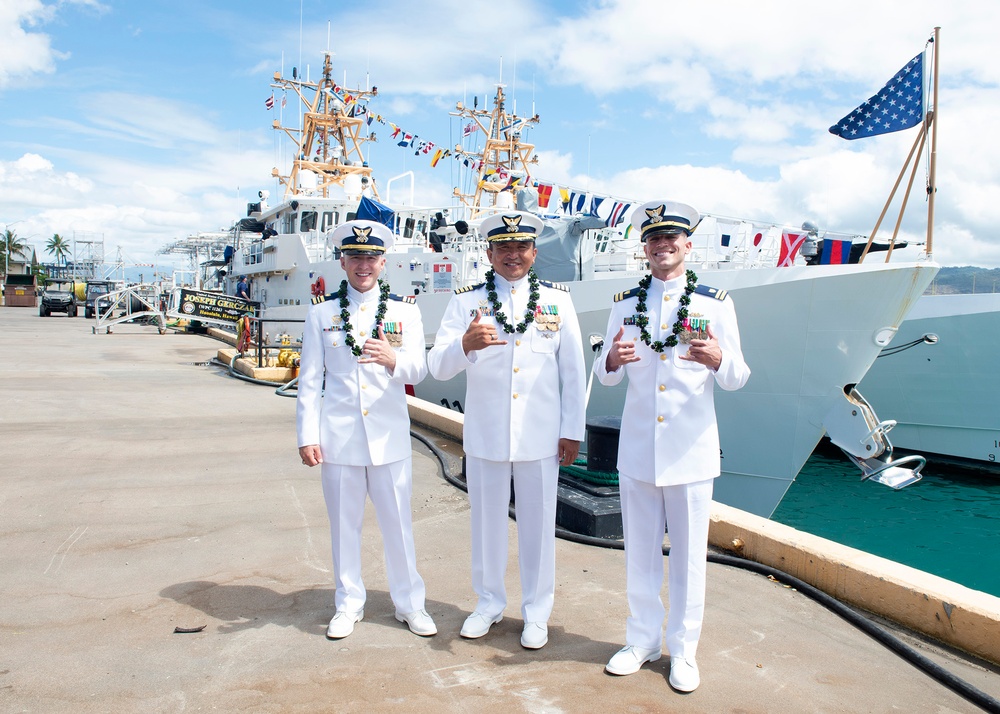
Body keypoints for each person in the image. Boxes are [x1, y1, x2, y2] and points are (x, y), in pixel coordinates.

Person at [593, 200, 750, 692]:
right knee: (639, 551)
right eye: (654, 238)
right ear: (645, 248)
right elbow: (603, 374)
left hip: (690, 451)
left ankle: (683, 651)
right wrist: (612, 362)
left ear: (687, 244)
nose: (663, 245)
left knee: (687, 558)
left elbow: (738, 376)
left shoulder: (714, 304)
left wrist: (720, 358)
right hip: (638, 451)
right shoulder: (624, 304)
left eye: (672, 238)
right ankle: (641, 640)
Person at [427, 211, 586, 650]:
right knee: (486, 523)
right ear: (490, 252)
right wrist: (464, 345)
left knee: (538, 526)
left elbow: (572, 370)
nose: (512, 255)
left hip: (540, 436)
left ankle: (537, 613)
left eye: (521, 247)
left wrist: (572, 430)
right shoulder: (466, 301)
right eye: (503, 247)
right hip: (487, 433)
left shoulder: (558, 301)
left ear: (534, 253)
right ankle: (488, 604)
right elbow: (437, 366)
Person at [296, 219, 436, 640]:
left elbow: (420, 370)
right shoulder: (321, 314)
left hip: (390, 439)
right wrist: (307, 434)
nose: (364, 264)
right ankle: (348, 603)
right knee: (344, 528)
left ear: (383, 262)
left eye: (371, 256)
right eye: (356, 256)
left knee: (399, 526)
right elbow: (309, 380)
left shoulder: (405, 312)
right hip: (338, 439)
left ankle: (410, 604)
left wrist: (394, 359)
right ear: (343, 261)